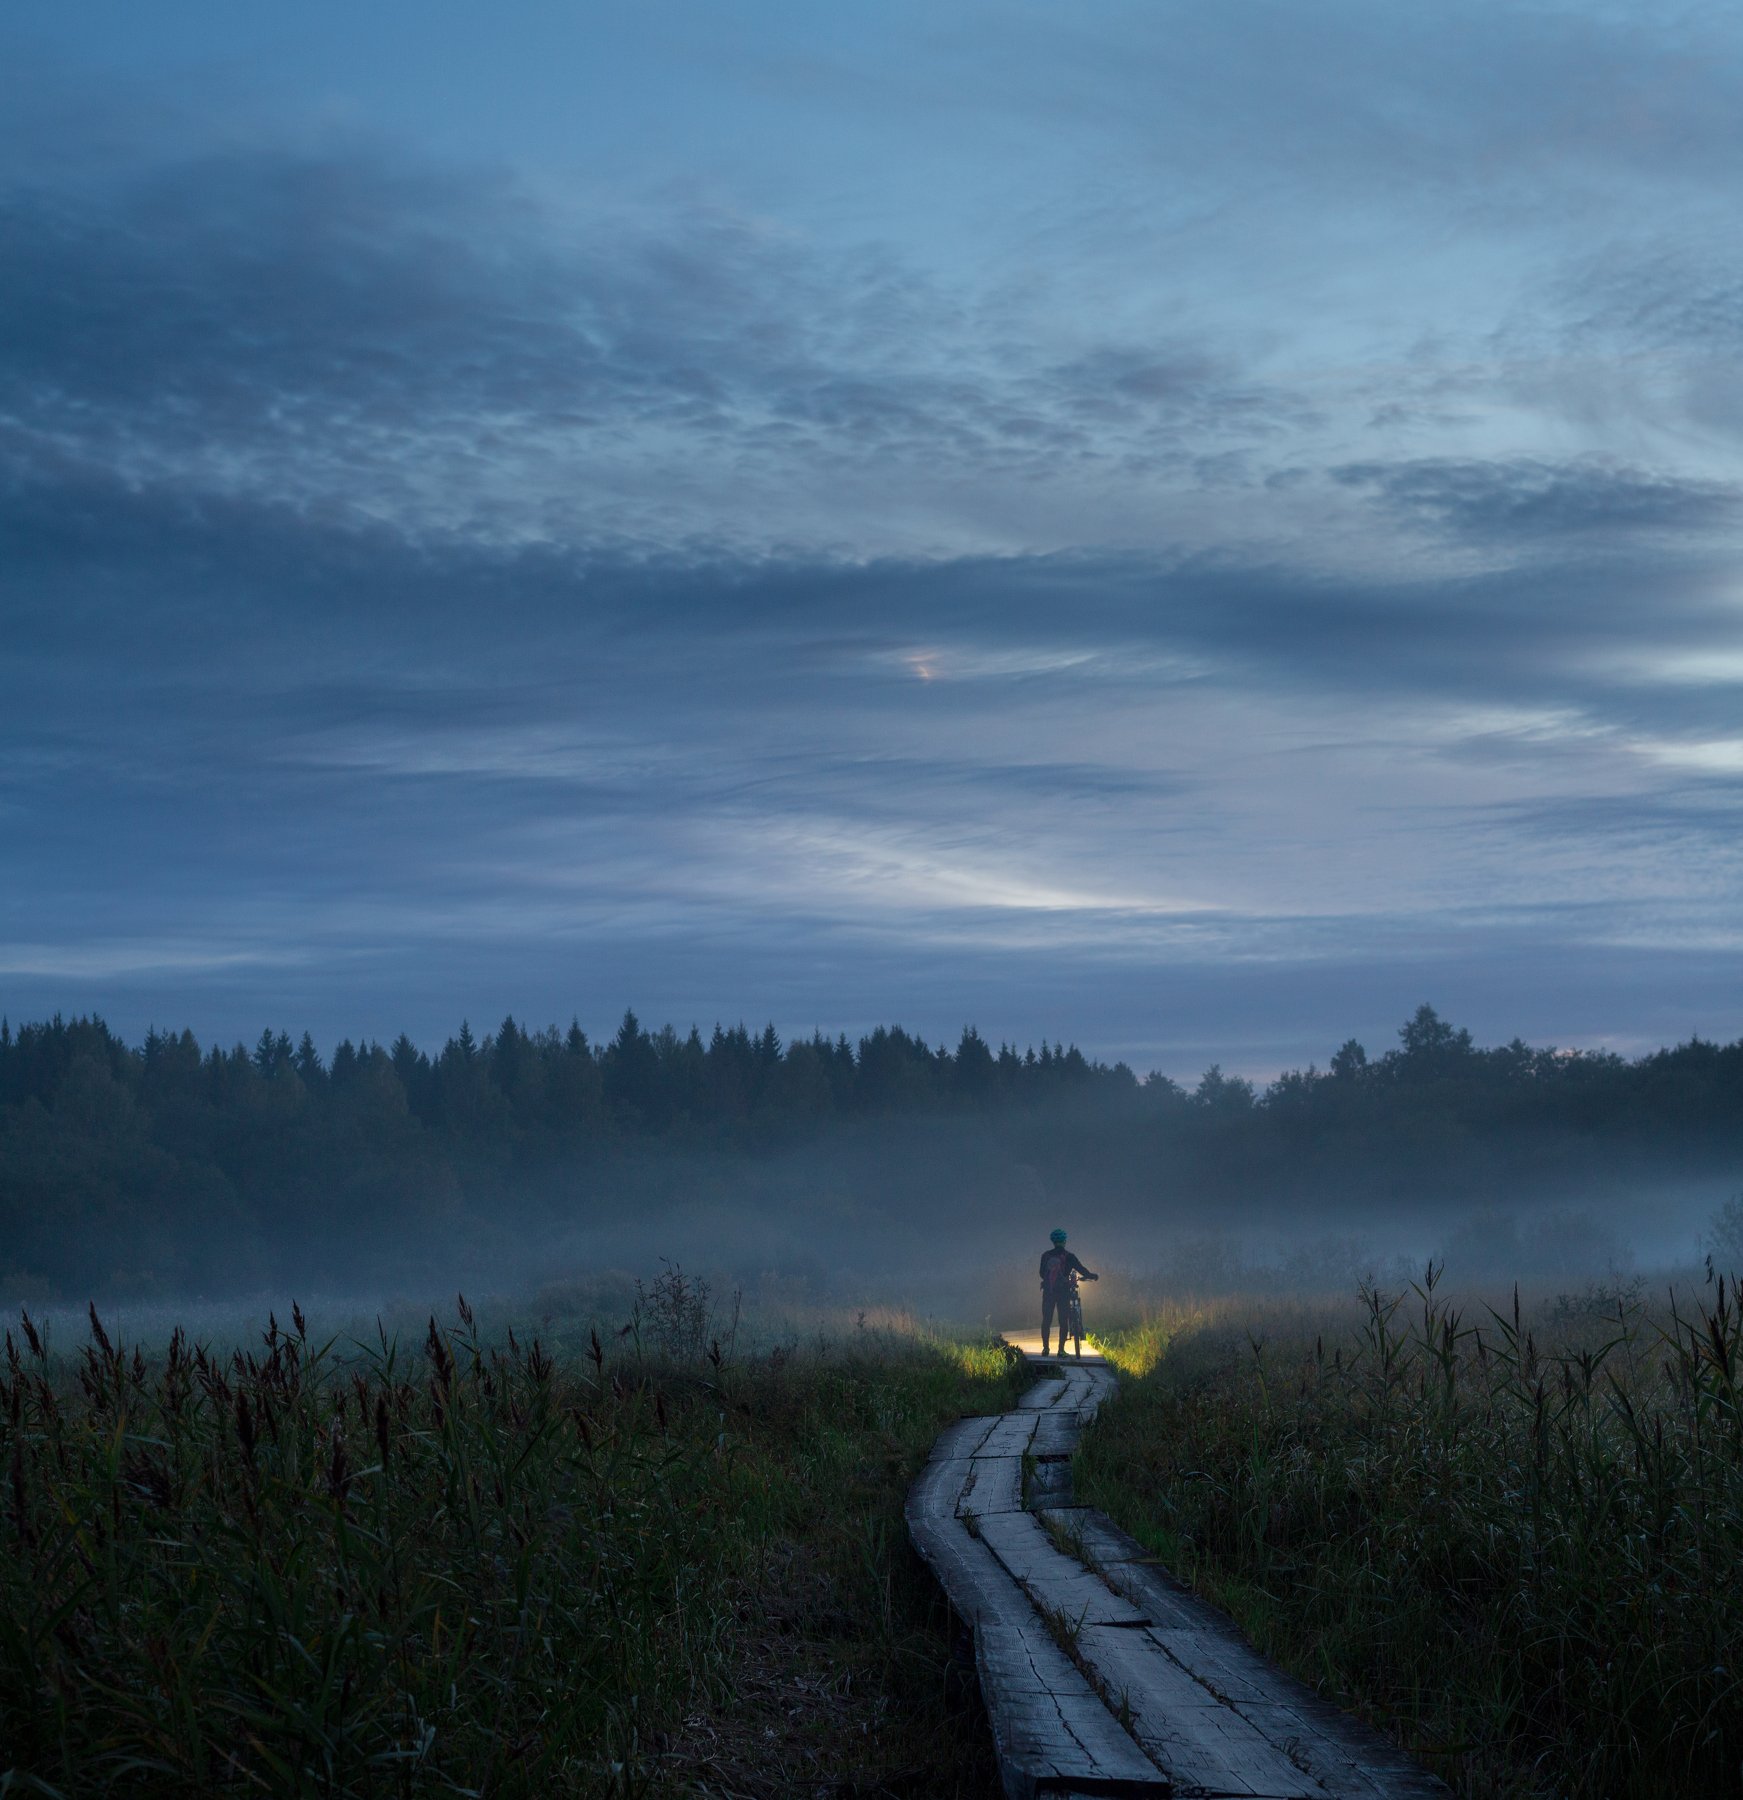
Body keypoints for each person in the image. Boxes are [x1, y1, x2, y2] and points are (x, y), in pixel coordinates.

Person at [1039, 1228, 1097, 1356]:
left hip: (1049, 1291)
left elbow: (1042, 1274)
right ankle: (1061, 1350)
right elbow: (1081, 1269)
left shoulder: (1045, 1256)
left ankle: (1046, 1349)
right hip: (1063, 1292)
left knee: (1046, 1320)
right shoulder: (1070, 1256)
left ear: (1053, 1241)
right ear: (1064, 1241)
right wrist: (1092, 1275)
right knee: (1063, 1320)